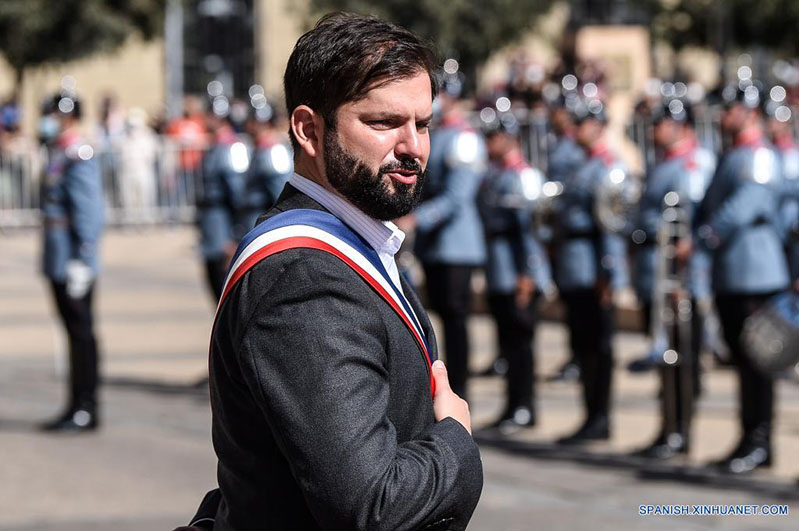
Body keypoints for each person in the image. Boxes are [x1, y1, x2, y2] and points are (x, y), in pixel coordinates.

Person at [177, 13, 482, 530]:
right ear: (309, 129)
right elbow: (369, 506)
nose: (412, 147)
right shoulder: (304, 277)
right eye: (384, 123)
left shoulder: (353, 241)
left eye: (423, 123)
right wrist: (455, 440)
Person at [695, 85, 789, 474]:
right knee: (742, 361)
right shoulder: (733, 154)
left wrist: (706, 234)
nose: (723, 115)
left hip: (755, 272)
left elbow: (745, 204)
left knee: (757, 362)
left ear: (750, 113)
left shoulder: (759, 155)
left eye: (730, 109)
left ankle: (760, 441)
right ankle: (749, 435)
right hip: (733, 273)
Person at [629, 98, 715, 459]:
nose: (655, 129)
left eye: (662, 123)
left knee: (682, 357)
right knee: (668, 357)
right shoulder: (664, 162)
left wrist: (685, 281)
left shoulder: (693, 162)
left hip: (678, 275)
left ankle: (680, 429)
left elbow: (686, 227)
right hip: (656, 269)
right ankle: (668, 426)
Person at [397, 62, 487, 401]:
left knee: (455, 320)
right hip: (435, 244)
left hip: (456, 244)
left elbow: (456, 197)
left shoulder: (464, 138)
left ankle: (460, 389)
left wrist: (416, 219)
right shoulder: (434, 133)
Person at [551, 100, 629, 445]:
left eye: (581, 123)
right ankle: (591, 414)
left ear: (597, 126)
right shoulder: (583, 163)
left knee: (599, 346)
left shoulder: (609, 167)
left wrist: (609, 274)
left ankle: (600, 416)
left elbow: (611, 225)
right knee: (583, 345)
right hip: (575, 266)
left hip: (594, 267)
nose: (574, 129)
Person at [478, 114, 554, 432]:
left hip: (517, 272)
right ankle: (513, 404)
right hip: (500, 269)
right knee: (508, 345)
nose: (489, 142)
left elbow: (530, 233)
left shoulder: (522, 176)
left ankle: (524, 406)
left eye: (495, 136)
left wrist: (528, 274)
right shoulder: (496, 174)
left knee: (521, 345)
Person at [39, 92, 105, 432]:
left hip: (72, 255)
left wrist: (85, 256)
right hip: (58, 251)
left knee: (81, 333)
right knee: (71, 332)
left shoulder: (78, 151)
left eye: (54, 115)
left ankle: (86, 407)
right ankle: (75, 403)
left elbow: (88, 209)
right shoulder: (60, 150)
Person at [545, 91, 586, 382]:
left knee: (580, 307)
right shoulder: (559, 144)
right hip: (560, 231)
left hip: (575, 234)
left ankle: (579, 357)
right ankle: (575, 354)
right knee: (569, 303)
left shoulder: (575, 149)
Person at [196, 102, 247, 302]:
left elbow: (237, 195)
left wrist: (235, 236)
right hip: (212, 228)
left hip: (223, 229)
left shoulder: (231, 147)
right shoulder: (215, 145)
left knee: (224, 292)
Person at [238, 98, 293, 233]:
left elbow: (282, 196)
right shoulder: (260, 149)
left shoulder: (273, 150)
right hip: (253, 221)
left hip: (265, 226)